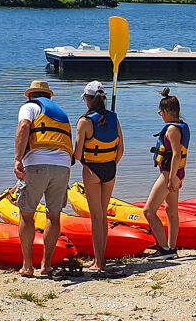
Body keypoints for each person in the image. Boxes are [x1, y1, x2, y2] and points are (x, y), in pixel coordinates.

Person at [13, 80, 73, 278]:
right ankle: (46, 265)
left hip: (37, 164)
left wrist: (17, 159)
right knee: (54, 217)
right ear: (49, 96)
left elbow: (24, 127)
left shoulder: (29, 107)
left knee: (26, 215)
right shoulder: (62, 114)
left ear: (31, 95)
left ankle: (27, 266)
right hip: (63, 167)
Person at [72, 80, 123, 276]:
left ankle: (98, 262)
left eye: (85, 97)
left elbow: (77, 155)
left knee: (96, 217)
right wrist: (111, 165)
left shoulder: (84, 122)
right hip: (110, 171)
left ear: (89, 99)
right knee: (103, 216)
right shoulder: (114, 118)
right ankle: (101, 259)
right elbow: (121, 149)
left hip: (92, 171)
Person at [142, 88, 188, 260]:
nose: (161, 115)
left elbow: (176, 154)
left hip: (170, 174)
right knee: (171, 211)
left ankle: (164, 248)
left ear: (167, 112)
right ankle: (172, 248)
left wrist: (171, 178)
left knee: (148, 211)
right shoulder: (179, 127)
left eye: (160, 112)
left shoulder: (172, 130)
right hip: (177, 173)